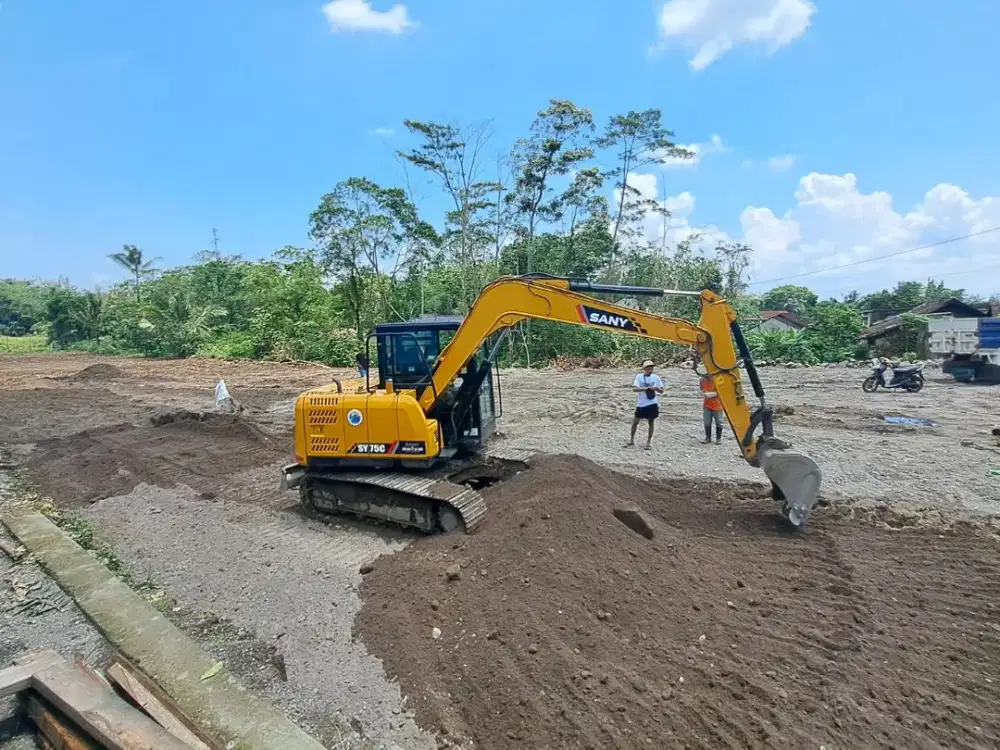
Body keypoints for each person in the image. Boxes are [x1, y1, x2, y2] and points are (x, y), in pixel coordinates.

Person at [626, 360, 664, 450]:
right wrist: (646, 388)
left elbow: (662, 391)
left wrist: (656, 388)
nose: (650, 369)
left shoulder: (656, 377)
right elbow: (634, 389)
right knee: (635, 422)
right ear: (645, 368)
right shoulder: (639, 377)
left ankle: (648, 442)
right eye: (649, 367)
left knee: (651, 422)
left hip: (652, 403)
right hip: (641, 403)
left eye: (651, 367)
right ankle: (631, 440)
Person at [697, 363, 723, 444]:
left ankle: (718, 439)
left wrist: (711, 394)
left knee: (719, 422)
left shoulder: (717, 379)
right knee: (707, 422)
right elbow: (700, 389)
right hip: (707, 404)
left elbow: (722, 391)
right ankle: (708, 438)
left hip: (717, 404)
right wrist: (701, 393)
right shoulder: (702, 380)